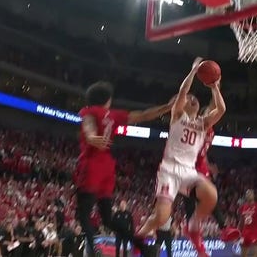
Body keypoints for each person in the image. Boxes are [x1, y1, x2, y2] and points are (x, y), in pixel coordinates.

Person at [133, 57, 226, 257]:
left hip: (188, 172)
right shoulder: (177, 115)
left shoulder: (203, 123)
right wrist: (193, 72)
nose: (192, 99)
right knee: (161, 218)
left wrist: (214, 87)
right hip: (168, 170)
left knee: (211, 195)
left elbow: (222, 109)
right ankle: (138, 237)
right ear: (182, 105)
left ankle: (192, 227)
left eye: (195, 98)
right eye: (189, 99)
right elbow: (183, 92)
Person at [75, 81, 173, 257]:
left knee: (82, 215)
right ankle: (144, 248)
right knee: (108, 219)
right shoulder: (114, 115)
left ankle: (93, 251)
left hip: (91, 165)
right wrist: (168, 107)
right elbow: (143, 115)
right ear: (107, 100)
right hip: (108, 166)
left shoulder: (88, 111)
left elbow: (88, 124)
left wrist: (90, 136)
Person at [184, 114, 239, 242]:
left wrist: (207, 166)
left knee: (205, 198)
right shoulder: (200, 128)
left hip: (197, 168)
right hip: (191, 167)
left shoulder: (209, 131)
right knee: (192, 196)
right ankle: (218, 227)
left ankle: (223, 227)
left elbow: (202, 152)